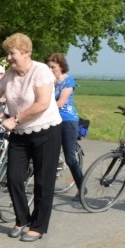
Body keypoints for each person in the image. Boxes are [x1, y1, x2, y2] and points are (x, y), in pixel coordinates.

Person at [0, 33, 62, 242]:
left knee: (43, 181)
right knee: (13, 178)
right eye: (7, 54)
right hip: (21, 133)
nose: (9, 58)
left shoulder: (41, 71)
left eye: (12, 53)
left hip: (46, 131)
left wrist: (15, 119)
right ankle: (22, 219)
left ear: (26, 53)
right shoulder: (10, 75)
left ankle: (38, 226)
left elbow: (42, 103)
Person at [46, 53, 85, 201]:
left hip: (68, 121)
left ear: (61, 67)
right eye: (48, 67)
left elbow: (60, 103)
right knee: (47, 154)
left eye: (53, 67)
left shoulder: (68, 80)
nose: (50, 70)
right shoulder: (49, 82)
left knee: (70, 158)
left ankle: (82, 188)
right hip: (52, 120)